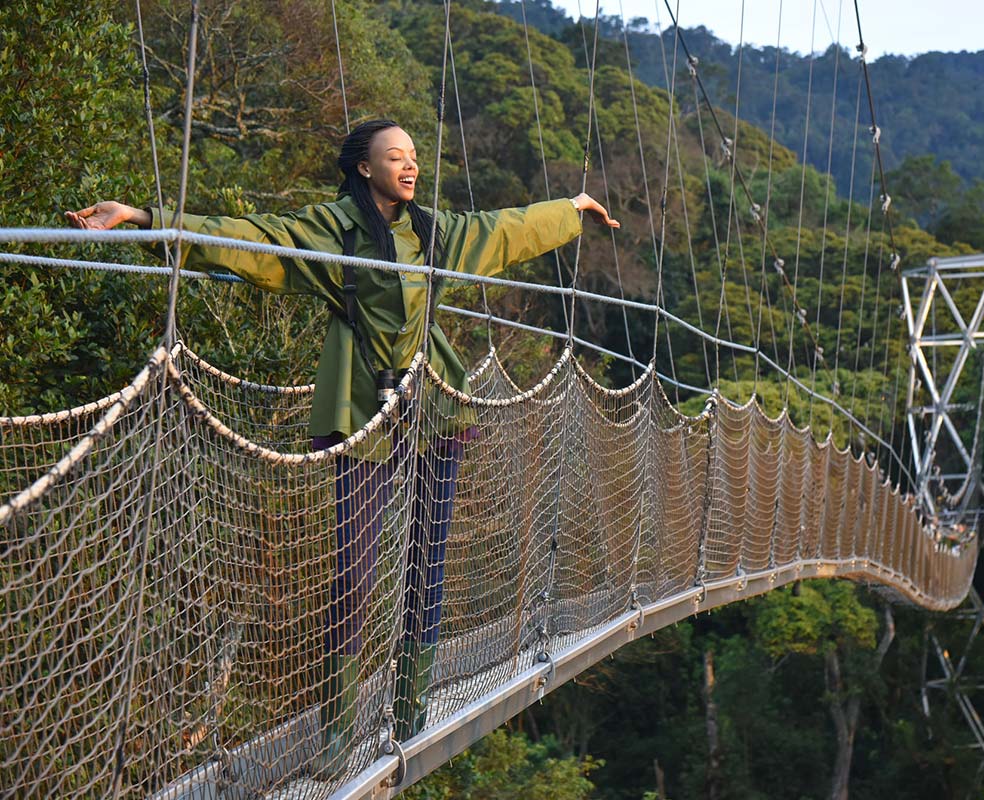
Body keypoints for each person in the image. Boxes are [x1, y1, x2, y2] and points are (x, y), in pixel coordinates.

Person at [68, 119, 619, 778]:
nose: (410, 167)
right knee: (354, 576)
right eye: (396, 157)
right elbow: (252, 239)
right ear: (365, 168)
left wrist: (572, 209)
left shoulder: (433, 231)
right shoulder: (333, 229)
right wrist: (142, 218)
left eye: (414, 156)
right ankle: (336, 732)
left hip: (433, 404)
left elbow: (502, 229)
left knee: (427, 563)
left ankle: (411, 709)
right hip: (359, 406)